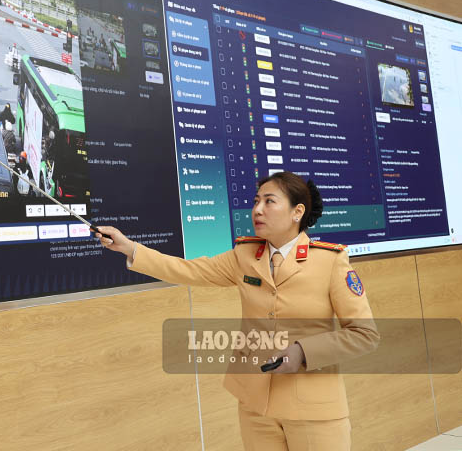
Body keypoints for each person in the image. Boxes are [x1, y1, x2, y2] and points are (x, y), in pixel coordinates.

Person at [94, 172, 379, 451]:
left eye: (269, 201)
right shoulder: (245, 255)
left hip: (313, 408)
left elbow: (364, 334)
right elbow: (189, 270)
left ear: (297, 212)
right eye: (256, 201)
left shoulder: (330, 261)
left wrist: (303, 352)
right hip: (255, 403)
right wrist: (130, 248)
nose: (257, 210)